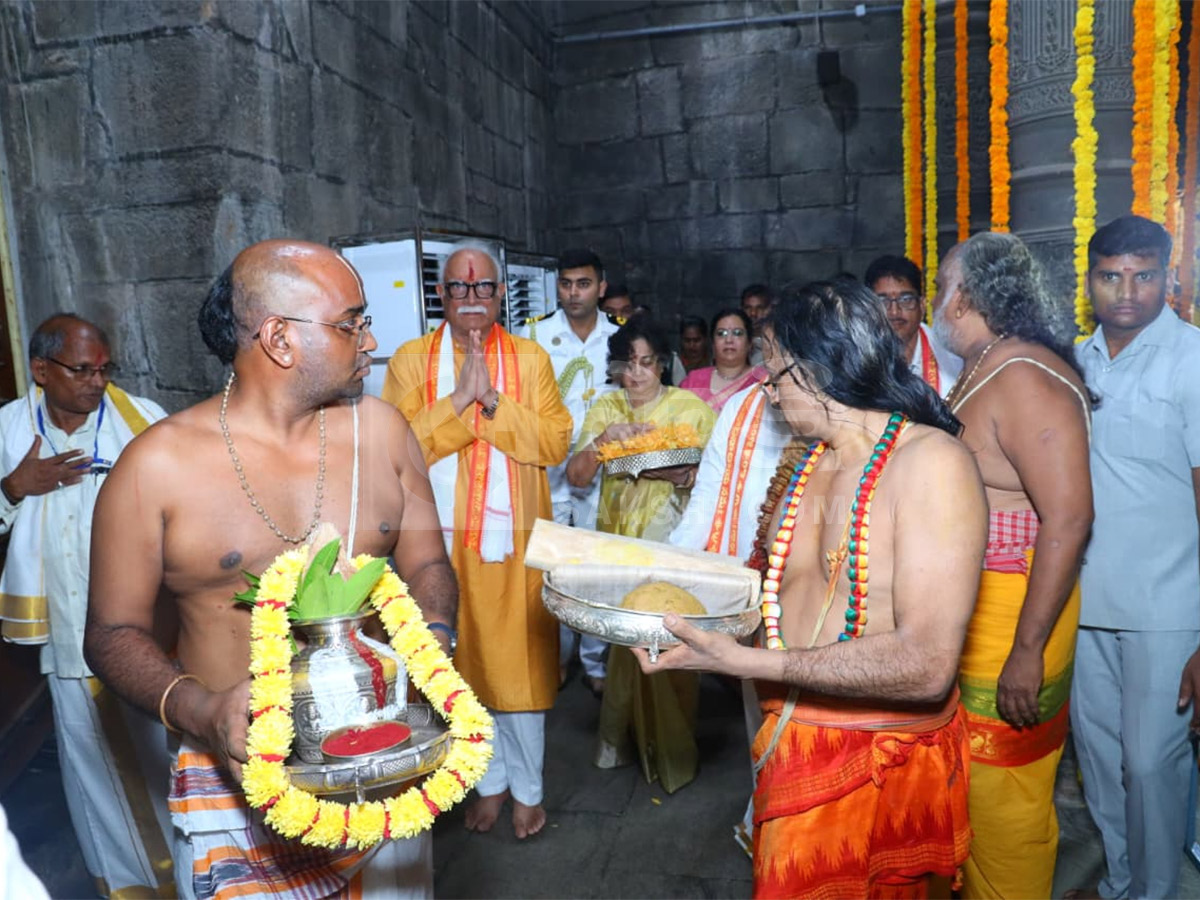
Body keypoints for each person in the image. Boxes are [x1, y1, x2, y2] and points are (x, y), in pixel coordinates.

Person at [83, 240, 457, 898]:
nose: (371, 340)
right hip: (238, 777)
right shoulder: (156, 467)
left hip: (382, 755)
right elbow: (111, 633)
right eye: (352, 322)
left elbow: (427, 560)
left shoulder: (385, 433)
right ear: (280, 338)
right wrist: (204, 711)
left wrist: (433, 648)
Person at [636, 279, 987, 898]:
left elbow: (928, 663)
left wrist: (749, 662)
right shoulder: (806, 464)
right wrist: (682, 624)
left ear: (817, 369)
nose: (768, 395)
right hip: (788, 744)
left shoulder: (930, 464)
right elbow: (769, 599)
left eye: (774, 377)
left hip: (878, 762)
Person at [382, 243, 572, 839]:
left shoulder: (531, 358)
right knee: (459, 668)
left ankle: (530, 792)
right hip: (436, 546)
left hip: (511, 546)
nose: (472, 298)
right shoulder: (412, 360)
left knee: (518, 669)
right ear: (442, 295)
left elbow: (554, 443)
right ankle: (486, 783)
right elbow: (400, 447)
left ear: (499, 295)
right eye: (460, 289)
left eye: (483, 288)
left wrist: (492, 399)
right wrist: (459, 399)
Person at [930, 232, 1093, 900]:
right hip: (975, 613)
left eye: (941, 287)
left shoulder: (1023, 377)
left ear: (966, 295)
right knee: (967, 787)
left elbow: (1071, 518)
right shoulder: (986, 366)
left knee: (1007, 800)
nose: (938, 302)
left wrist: (1026, 651)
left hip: (1014, 620)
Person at [0, 314, 171, 899]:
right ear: (41, 370)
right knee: (96, 778)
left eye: (105, 369)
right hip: (67, 637)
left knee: (163, 763)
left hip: (145, 631)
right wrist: (12, 489)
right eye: (82, 370)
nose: (98, 383)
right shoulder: (6, 431)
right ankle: (130, 889)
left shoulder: (142, 422)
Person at [1072, 215, 1200, 900]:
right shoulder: (1073, 360)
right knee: (1100, 760)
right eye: (1112, 276)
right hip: (1086, 601)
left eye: (1144, 275)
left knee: (1151, 764)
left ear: (1168, 278)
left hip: (1170, 607)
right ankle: (1120, 885)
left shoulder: (1194, 360)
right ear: (1089, 280)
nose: (1127, 291)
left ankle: (1154, 894)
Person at [565, 318, 715, 793]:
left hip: (672, 540)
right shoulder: (606, 407)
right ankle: (621, 740)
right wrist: (606, 440)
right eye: (627, 365)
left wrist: (674, 475)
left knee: (670, 636)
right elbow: (578, 477)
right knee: (626, 640)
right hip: (619, 540)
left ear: (662, 363)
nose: (637, 375)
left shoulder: (689, 408)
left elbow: (710, 480)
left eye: (647, 363)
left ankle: (673, 747)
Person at [518, 248, 619, 696]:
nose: (573, 293)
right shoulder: (534, 335)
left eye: (583, 283)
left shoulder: (619, 336)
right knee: (553, 573)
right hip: (549, 473)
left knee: (597, 570)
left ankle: (595, 664)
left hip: (603, 473)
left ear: (602, 287)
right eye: (565, 283)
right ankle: (554, 661)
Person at [865, 254, 961, 397]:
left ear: (922, 306)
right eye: (883, 301)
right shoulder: (853, 356)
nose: (894, 311)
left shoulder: (952, 355)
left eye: (905, 299)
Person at [680, 308, 769, 415]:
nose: (729, 340)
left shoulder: (763, 381)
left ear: (750, 342)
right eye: (721, 333)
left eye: (737, 333)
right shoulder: (693, 381)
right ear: (712, 343)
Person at [741, 283, 772, 367]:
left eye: (760, 308)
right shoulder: (735, 343)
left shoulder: (779, 346)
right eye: (748, 308)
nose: (753, 313)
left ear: (770, 309)